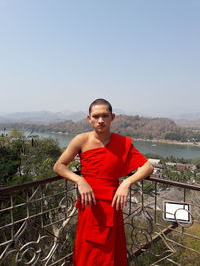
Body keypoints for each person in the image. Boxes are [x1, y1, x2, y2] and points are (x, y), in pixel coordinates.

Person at [53, 98, 154, 266]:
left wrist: (126, 183)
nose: (100, 120)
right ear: (89, 118)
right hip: (89, 204)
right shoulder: (81, 140)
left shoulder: (122, 143)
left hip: (113, 204)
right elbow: (59, 166)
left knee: (112, 253)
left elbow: (147, 167)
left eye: (105, 116)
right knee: (87, 252)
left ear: (112, 117)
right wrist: (80, 180)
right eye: (96, 116)